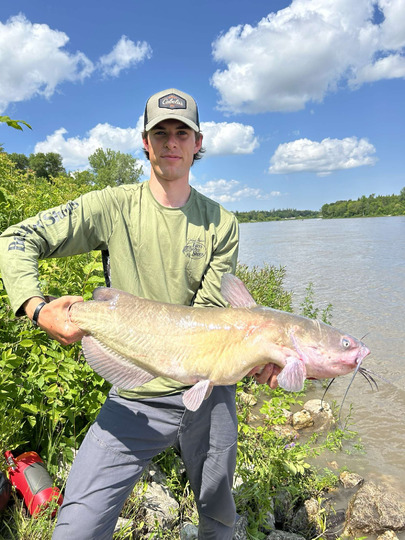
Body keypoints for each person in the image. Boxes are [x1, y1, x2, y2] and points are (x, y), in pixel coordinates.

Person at [0, 88, 280, 539]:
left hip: (208, 396)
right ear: (145, 142)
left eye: (182, 133)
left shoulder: (221, 223)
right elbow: (15, 238)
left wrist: (250, 357)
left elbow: (209, 318)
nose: (172, 142)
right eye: (161, 132)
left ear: (198, 143)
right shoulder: (111, 206)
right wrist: (36, 307)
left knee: (219, 517)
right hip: (135, 395)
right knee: (76, 529)